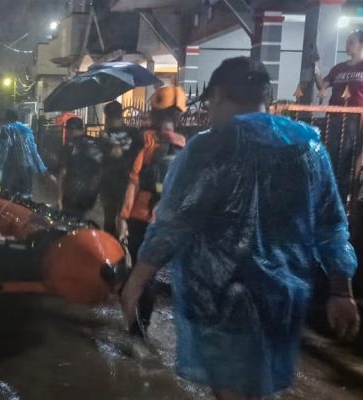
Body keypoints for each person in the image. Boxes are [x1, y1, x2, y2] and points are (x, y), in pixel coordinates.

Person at [121, 57, 360, 400]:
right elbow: (331, 225)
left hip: (219, 299)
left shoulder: (209, 147)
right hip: (282, 301)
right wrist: (341, 291)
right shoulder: (309, 148)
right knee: (258, 388)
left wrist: (136, 282)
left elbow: (174, 223)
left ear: (217, 95)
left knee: (231, 390)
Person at [120, 86, 187, 336]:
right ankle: (144, 327)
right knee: (152, 274)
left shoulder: (145, 140)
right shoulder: (183, 144)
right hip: (169, 219)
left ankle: (135, 329)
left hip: (140, 216)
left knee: (139, 270)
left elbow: (132, 180)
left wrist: (122, 217)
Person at [315, 29, 363, 202]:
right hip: (334, 117)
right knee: (331, 155)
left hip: (354, 118)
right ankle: (330, 196)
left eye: (351, 42)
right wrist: (315, 66)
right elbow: (323, 84)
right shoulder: (338, 68)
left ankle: (342, 197)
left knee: (347, 158)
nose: (347, 45)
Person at [98, 101, 143, 236]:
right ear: (121, 114)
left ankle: (112, 247)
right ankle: (121, 246)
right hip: (127, 181)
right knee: (123, 218)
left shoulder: (104, 136)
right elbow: (140, 153)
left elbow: (101, 157)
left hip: (110, 181)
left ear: (107, 117)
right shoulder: (134, 133)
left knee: (110, 218)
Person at [0, 109, 49, 199]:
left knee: (9, 198)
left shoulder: (5, 129)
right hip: (28, 170)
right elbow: (34, 152)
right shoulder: (26, 130)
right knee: (26, 197)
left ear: (6, 117)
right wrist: (42, 169)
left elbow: (4, 150)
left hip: (12, 170)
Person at [56, 117, 104, 218]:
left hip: (72, 193)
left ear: (68, 130)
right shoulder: (96, 143)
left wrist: (59, 198)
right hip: (91, 193)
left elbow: (63, 173)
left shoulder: (68, 146)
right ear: (83, 130)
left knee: (69, 221)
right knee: (81, 218)